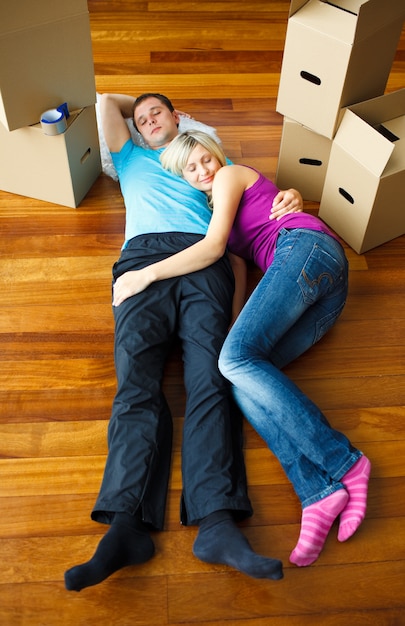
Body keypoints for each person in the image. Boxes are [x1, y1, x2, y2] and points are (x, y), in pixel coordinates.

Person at [64, 94, 301, 592]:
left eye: (160, 113)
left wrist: (290, 197)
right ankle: (126, 526)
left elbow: (247, 223)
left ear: (178, 117)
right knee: (136, 385)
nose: (149, 120)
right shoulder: (130, 155)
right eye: (144, 117)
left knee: (210, 383)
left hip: (203, 262)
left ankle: (216, 522)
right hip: (140, 264)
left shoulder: (210, 163)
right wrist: (143, 104)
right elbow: (107, 101)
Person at [116, 129, 371, 568]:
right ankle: (318, 492)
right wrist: (234, 331)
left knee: (233, 361)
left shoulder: (231, 175)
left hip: (306, 250)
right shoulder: (223, 209)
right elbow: (234, 267)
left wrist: (147, 275)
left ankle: (344, 461)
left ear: (216, 155)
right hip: (321, 293)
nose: (201, 172)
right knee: (236, 377)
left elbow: (211, 247)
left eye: (203, 160)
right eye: (190, 169)